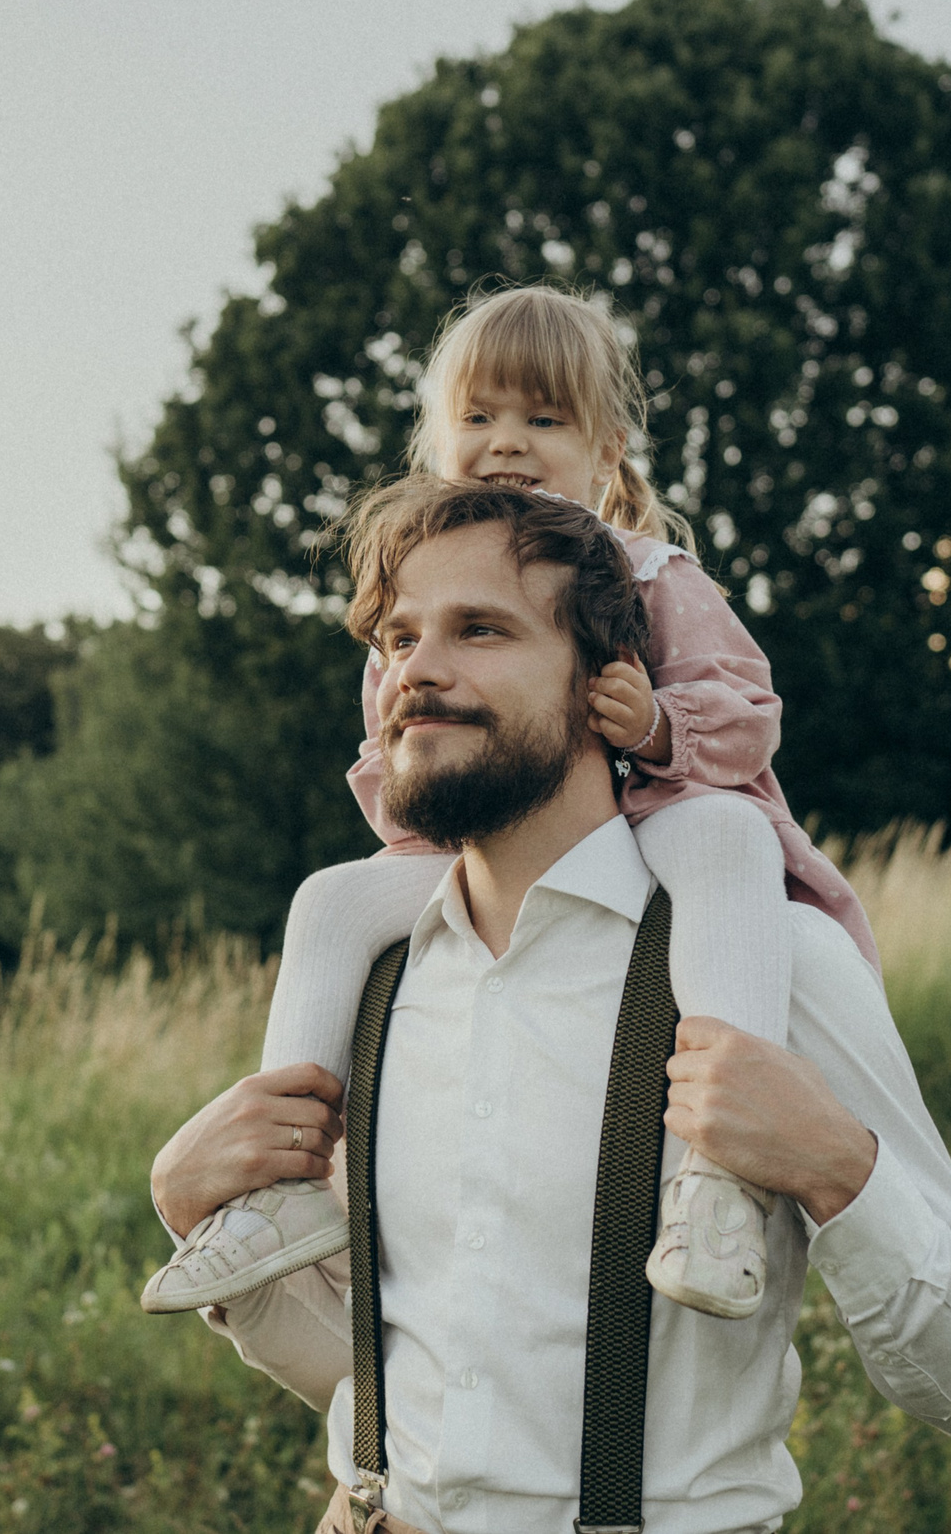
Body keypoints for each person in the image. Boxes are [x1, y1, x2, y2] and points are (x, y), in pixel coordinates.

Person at [150, 479, 951, 1532]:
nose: (416, 671)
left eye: (479, 630)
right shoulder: (374, 984)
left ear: (601, 680)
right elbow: (385, 1375)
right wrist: (198, 1218)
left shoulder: (774, 966)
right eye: (399, 636)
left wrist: (839, 1168)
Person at [143, 284, 877, 1323]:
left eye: (544, 419)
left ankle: (719, 1181)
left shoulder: (651, 573)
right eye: (478, 418)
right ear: (433, 441)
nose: (507, 444)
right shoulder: (417, 595)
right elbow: (394, 754)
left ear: (607, 447)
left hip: (654, 818)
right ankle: (285, 1188)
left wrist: (659, 725)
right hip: (484, 844)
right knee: (330, 900)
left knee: (726, 837)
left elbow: (746, 711)